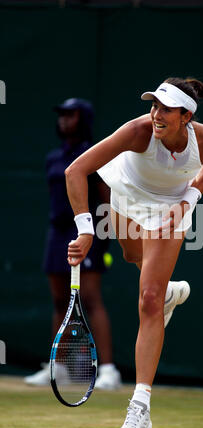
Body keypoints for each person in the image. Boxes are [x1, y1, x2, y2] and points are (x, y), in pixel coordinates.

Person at [64, 77, 203, 428]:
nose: (156, 114)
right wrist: (86, 230)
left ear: (187, 116)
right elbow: (76, 170)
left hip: (171, 208)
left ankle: (139, 408)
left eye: (166, 109)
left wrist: (188, 202)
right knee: (132, 256)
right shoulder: (138, 131)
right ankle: (169, 291)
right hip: (127, 197)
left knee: (147, 300)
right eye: (154, 106)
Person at [24, 98, 122, 390]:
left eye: (71, 115)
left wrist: (103, 238)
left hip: (89, 232)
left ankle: (108, 370)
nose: (65, 120)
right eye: (62, 115)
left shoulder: (94, 156)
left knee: (90, 299)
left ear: (84, 119)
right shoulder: (53, 158)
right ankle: (59, 368)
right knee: (60, 301)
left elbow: (106, 199)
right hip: (57, 234)